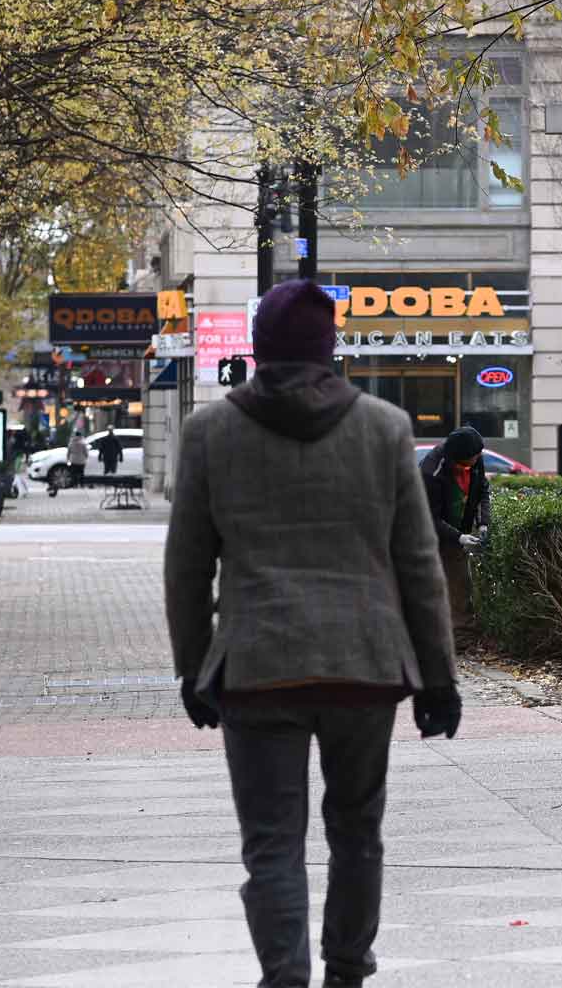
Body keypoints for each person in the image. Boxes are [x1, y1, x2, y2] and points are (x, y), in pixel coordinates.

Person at [165, 279, 459, 988]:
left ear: (259, 348)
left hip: (258, 669)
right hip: (364, 669)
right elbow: (419, 564)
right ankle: (348, 973)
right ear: (329, 350)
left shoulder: (211, 433)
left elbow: (186, 563)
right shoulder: (385, 428)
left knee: (272, 843)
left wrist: (194, 665)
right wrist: (438, 676)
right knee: (357, 832)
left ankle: (285, 976)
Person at [420, 426, 490, 634]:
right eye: (475, 456)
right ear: (460, 457)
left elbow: (482, 490)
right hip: (426, 532)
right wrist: (459, 537)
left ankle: (461, 631)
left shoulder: (475, 457)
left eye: (479, 454)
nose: (479, 458)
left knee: (460, 582)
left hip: (456, 527)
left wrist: (483, 522)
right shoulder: (431, 472)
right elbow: (428, 517)